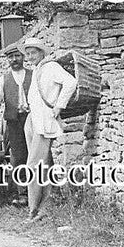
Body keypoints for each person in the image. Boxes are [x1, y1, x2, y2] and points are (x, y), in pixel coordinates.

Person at [21, 38, 76, 220]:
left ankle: (33, 209)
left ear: (41, 52)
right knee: (43, 163)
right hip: (33, 119)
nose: (29, 57)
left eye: (33, 53)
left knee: (33, 165)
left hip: (44, 120)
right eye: (27, 54)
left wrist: (59, 106)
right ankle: (46, 203)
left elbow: (70, 83)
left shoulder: (51, 67)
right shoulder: (38, 69)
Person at [0, 43, 31, 205]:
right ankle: (19, 192)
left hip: (32, 120)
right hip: (14, 121)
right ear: (7, 60)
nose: (14, 60)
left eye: (17, 56)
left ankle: (41, 190)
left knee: (36, 153)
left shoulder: (34, 75)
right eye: (11, 57)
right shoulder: (3, 80)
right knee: (18, 155)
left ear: (23, 57)